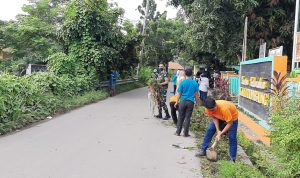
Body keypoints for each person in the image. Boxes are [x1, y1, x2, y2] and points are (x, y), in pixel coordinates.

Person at [197, 97, 239, 162]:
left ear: (216, 104)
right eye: (210, 110)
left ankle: (232, 159)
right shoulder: (208, 109)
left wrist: (221, 134)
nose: (212, 111)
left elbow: (230, 123)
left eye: (213, 109)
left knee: (232, 137)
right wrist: (218, 131)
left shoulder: (224, 109)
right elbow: (214, 117)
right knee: (210, 130)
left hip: (232, 118)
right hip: (219, 117)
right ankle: (203, 150)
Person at [175, 68, 200, 137]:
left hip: (182, 101)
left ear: (185, 74)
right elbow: (196, 95)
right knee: (187, 118)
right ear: (192, 74)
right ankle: (185, 133)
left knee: (180, 117)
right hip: (190, 102)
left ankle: (178, 132)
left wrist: (176, 102)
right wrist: (197, 104)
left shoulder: (183, 82)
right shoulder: (194, 83)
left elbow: (179, 93)